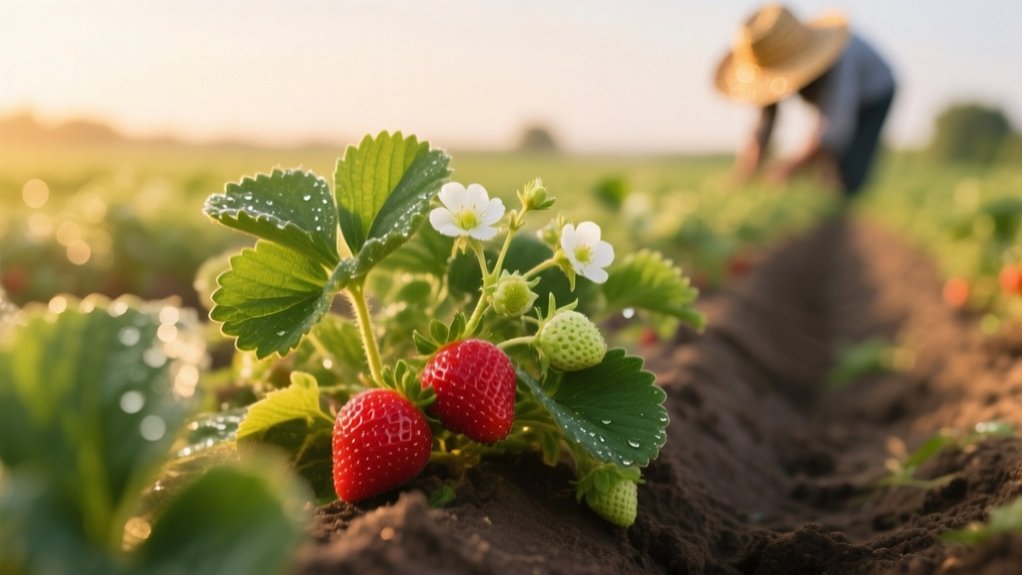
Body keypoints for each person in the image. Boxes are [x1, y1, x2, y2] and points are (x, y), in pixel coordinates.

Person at [714, 4, 896, 196]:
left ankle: (844, 202)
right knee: (823, 164)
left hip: (874, 97)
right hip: (840, 99)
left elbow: (834, 130)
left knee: (848, 171)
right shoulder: (773, 53)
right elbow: (764, 125)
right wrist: (745, 174)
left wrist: (789, 168)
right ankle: (823, 189)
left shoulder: (841, 57)